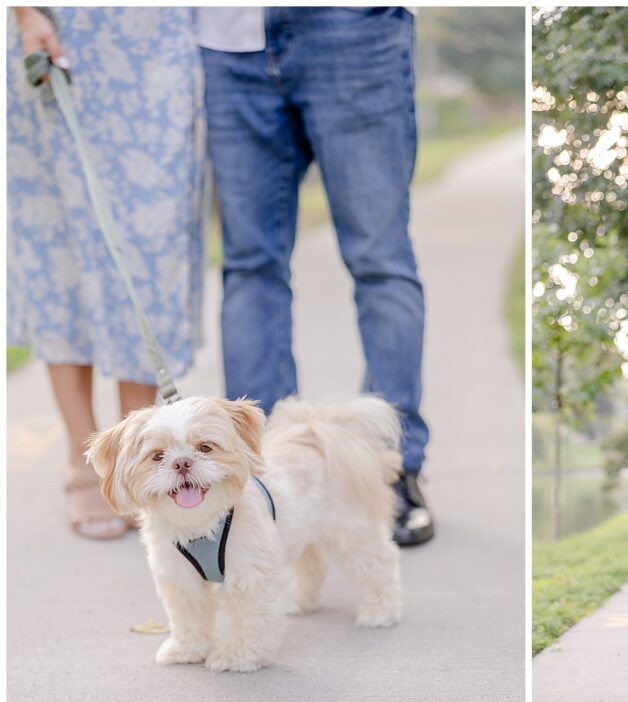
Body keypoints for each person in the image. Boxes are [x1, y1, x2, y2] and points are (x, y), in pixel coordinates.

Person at [197, 6, 433, 546]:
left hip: (354, 28)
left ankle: (389, 471)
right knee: (250, 265)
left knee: (380, 259)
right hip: (229, 37)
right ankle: (262, 472)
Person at [6, 7, 205, 539]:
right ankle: (83, 460)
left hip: (156, 47)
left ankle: (137, 454)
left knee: (148, 249)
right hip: (57, 34)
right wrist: (26, 13)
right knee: (59, 253)